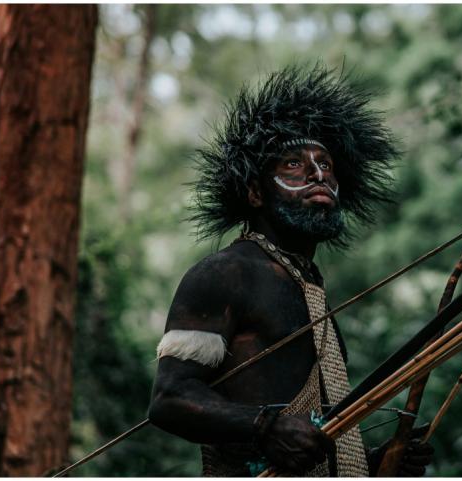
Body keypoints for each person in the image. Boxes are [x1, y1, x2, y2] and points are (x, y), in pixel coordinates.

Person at [148, 65, 434, 477]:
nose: (319, 174)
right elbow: (169, 399)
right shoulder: (225, 273)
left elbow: (310, 437)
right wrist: (265, 427)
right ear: (255, 192)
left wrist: (368, 463)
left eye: (325, 164)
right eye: (294, 164)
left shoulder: (308, 284)